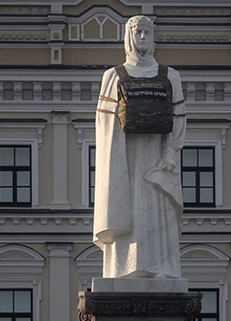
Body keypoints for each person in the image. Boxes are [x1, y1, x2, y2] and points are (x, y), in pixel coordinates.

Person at [93, 14, 186, 279]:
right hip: (126, 162)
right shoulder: (113, 76)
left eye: (147, 32)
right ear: (128, 37)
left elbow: (179, 120)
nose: (142, 37)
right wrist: (115, 165)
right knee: (129, 209)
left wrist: (170, 152)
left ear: (154, 37)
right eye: (137, 32)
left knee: (155, 208)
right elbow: (105, 126)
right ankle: (122, 269)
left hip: (156, 159)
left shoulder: (171, 77)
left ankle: (161, 268)